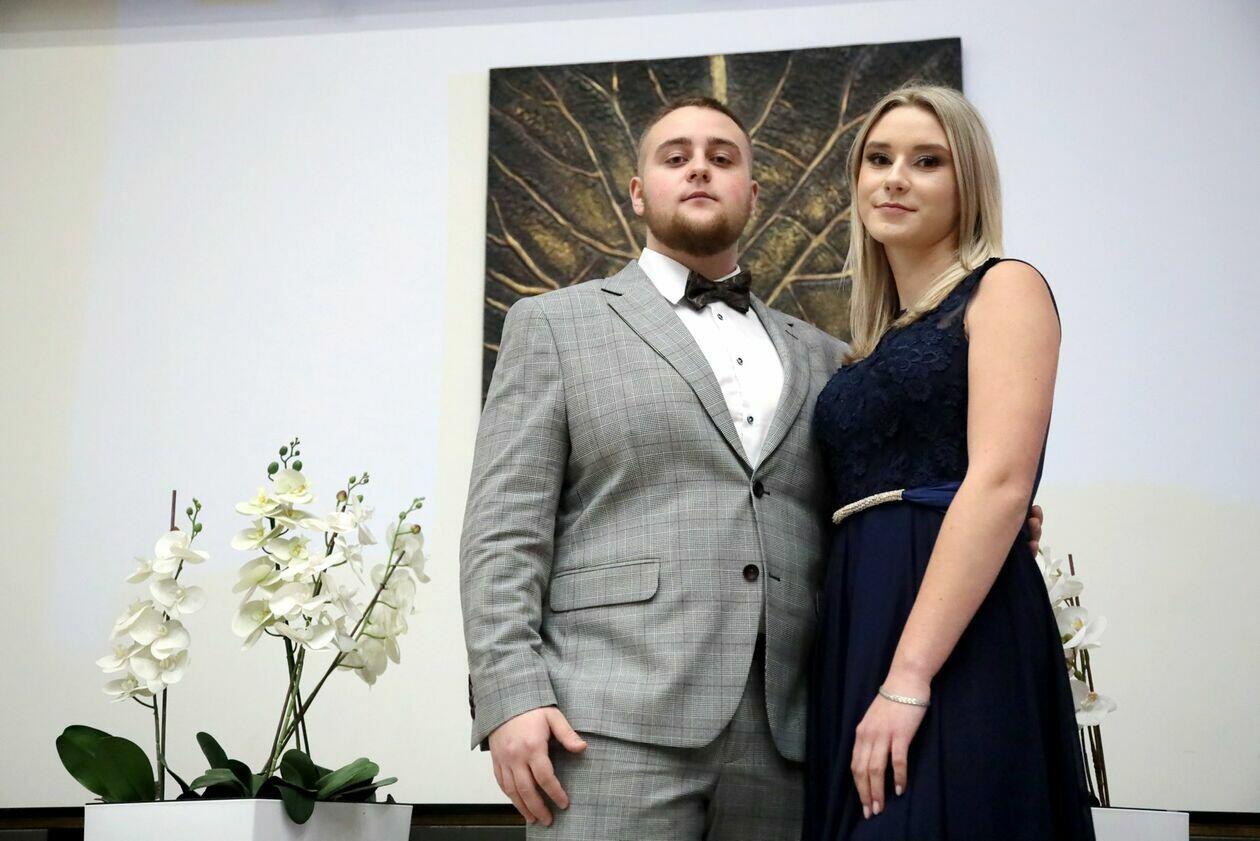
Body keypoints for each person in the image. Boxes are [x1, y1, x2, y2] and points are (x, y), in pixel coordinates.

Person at [461, 94, 1043, 841]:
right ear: (637, 193)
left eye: (722, 157)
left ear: (753, 193)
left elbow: (880, 486)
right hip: (605, 727)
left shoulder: (830, 357)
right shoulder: (552, 324)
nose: (699, 168)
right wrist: (510, 695)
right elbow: (502, 530)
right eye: (676, 157)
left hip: (792, 740)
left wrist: (976, 511)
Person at [804, 85, 1095, 840]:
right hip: (861, 620)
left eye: (927, 161)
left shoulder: (1005, 286)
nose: (895, 178)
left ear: (968, 184)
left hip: (952, 632)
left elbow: (998, 484)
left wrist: (908, 677)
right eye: (878, 159)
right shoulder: (868, 344)